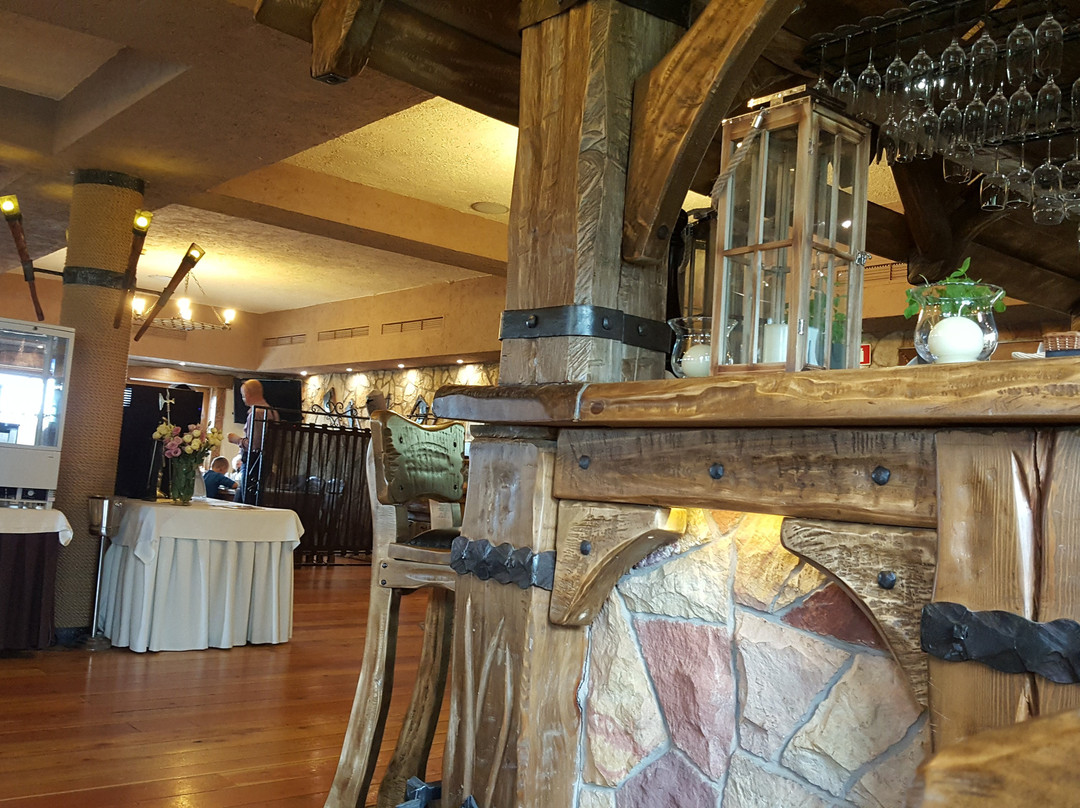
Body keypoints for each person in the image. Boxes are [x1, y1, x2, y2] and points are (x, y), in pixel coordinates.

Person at [228, 379, 279, 504]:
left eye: (243, 395)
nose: (243, 399)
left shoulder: (256, 414)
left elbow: (255, 445)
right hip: (266, 462)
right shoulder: (273, 412)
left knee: (245, 501)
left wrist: (237, 440)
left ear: (247, 394)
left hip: (253, 463)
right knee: (248, 499)